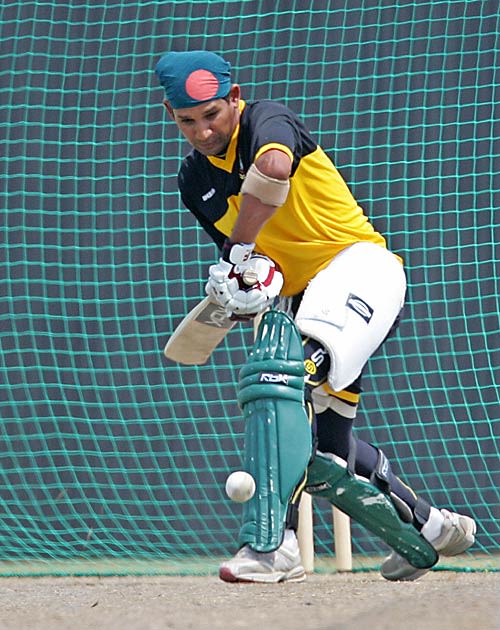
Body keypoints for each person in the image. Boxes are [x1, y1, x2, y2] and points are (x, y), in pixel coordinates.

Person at [154, 50, 476, 583]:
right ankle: (433, 526)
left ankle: (271, 544)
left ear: (234, 100)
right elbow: (260, 258)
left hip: (360, 271)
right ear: (172, 114)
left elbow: (273, 171)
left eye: (212, 114)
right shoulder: (194, 181)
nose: (203, 130)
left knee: (279, 383)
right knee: (326, 452)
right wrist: (247, 285)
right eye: (188, 120)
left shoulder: (267, 120)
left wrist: (236, 252)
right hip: (306, 300)